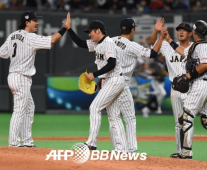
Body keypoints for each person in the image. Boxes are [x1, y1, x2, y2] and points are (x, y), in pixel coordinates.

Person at [0, 11, 69, 147]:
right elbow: (52, 40)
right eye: (34, 20)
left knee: (29, 108)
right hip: (20, 77)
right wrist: (65, 28)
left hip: (14, 77)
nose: (37, 23)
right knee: (19, 110)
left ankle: (27, 142)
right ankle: (13, 143)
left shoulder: (12, 36)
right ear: (27, 22)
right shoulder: (30, 37)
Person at [63, 13, 127, 152]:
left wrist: (95, 74)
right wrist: (68, 28)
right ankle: (121, 149)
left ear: (98, 30)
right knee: (114, 115)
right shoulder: (97, 43)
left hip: (114, 80)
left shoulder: (108, 42)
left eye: (91, 31)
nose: (89, 34)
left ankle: (91, 143)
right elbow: (80, 43)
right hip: (110, 80)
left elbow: (112, 63)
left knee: (94, 108)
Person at [108, 18, 166, 153]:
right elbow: (152, 54)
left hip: (108, 83)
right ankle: (129, 149)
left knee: (114, 117)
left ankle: (120, 148)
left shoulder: (110, 40)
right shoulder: (131, 45)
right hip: (121, 84)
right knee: (129, 117)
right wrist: (161, 37)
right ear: (132, 30)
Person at [164, 20, 207, 159]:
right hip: (203, 84)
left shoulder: (201, 46)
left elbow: (205, 64)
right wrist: (170, 41)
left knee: (186, 117)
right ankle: (185, 151)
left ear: (193, 32)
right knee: (205, 119)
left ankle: (186, 152)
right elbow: (183, 52)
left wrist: (188, 75)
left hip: (201, 84)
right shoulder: (199, 45)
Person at [141, 53, 168, 118]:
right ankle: (157, 107)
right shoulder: (154, 63)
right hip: (155, 81)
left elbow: (165, 72)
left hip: (161, 81)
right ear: (159, 56)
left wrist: (166, 73)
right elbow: (149, 70)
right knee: (163, 93)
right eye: (162, 55)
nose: (163, 56)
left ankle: (147, 108)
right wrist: (152, 71)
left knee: (157, 94)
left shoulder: (165, 62)